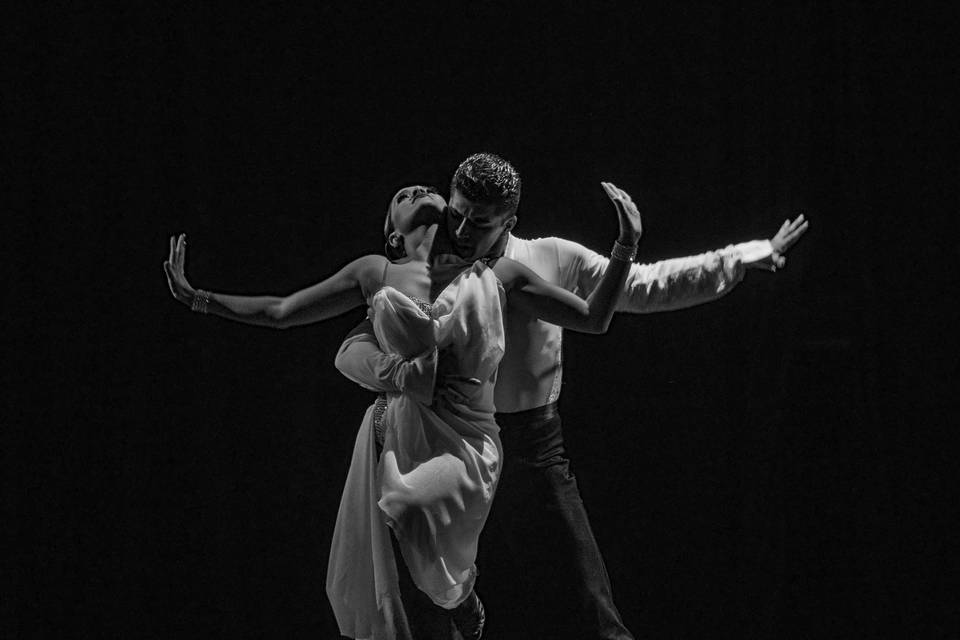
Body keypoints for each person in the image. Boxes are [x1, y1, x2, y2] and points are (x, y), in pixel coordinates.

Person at [335, 153, 810, 639]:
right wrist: (393, 374)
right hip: (443, 443)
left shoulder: (548, 258)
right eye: (455, 214)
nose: (460, 228)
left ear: (507, 221)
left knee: (587, 600)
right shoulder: (430, 267)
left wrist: (741, 256)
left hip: (529, 446)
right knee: (433, 601)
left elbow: (641, 286)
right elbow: (359, 342)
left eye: (478, 221)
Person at [162, 178, 644, 639]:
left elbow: (594, 319)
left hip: (468, 433)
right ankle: (459, 605)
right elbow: (283, 312)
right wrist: (199, 299)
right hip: (402, 430)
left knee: (417, 513)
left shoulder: (499, 272)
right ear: (393, 233)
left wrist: (625, 244)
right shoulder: (375, 271)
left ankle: (459, 594)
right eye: (402, 195)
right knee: (405, 526)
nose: (416, 190)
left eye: (425, 188)